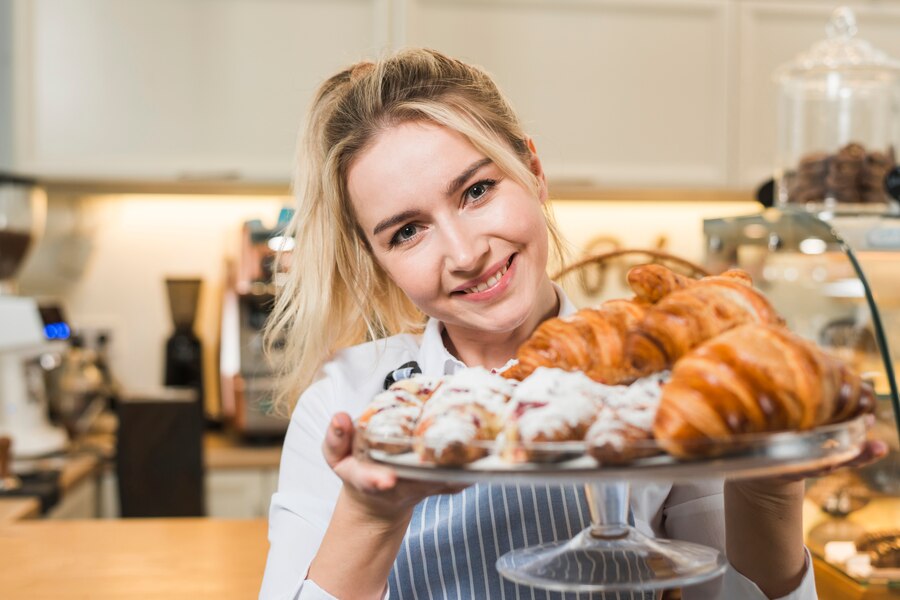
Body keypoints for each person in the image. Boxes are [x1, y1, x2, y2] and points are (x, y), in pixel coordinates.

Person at [259, 48, 884, 600]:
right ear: (378, 259)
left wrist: (770, 495)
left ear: (533, 170)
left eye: (476, 191)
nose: (465, 253)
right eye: (408, 231)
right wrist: (370, 515)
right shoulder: (347, 405)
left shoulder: (673, 388)